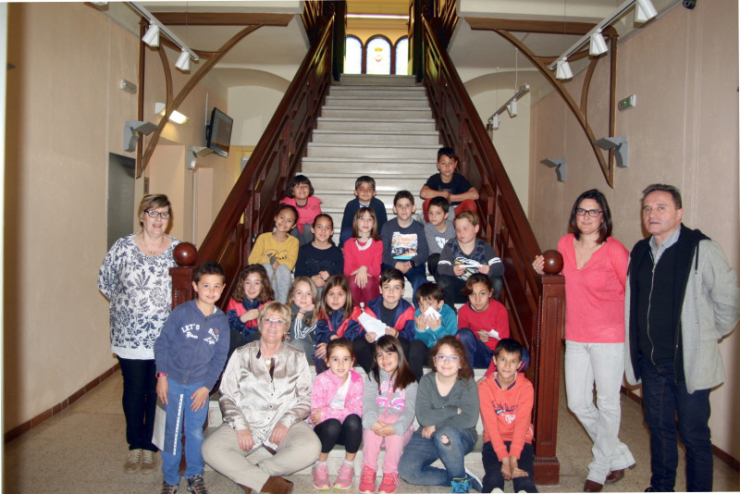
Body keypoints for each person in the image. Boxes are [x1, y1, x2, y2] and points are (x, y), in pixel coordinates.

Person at [624, 184, 740, 492]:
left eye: (661, 207)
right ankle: (661, 487)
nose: (652, 214)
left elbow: (730, 301)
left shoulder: (701, 248)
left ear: (679, 213)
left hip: (689, 366)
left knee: (693, 436)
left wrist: (708, 335)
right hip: (652, 365)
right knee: (659, 430)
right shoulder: (640, 251)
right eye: (647, 208)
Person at [532, 189, 635, 492]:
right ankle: (619, 454)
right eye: (581, 211)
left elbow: (635, 291)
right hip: (575, 335)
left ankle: (600, 466)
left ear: (604, 216)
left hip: (609, 338)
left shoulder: (614, 249)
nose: (586, 217)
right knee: (577, 402)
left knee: (607, 403)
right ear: (574, 215)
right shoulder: (564, 244)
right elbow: (553, 275)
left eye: (593, 212)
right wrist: (538, 270)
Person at [98, 194, 181, 474]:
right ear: (142, 215)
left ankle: (150, 446)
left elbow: (185, 291)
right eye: (153, 213)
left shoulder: (179, 250)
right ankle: (136, 446)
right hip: (129, 334)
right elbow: (105, 281)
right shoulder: (123, 246)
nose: (159, 219)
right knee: (134, 390)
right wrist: (131, 308)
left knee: (155, 390)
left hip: (164, 337)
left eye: (164, 214)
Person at [201, 302, 321, 494]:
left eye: (279, 321)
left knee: (312, 448)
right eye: (268, 320)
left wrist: (286, 422)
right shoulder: (241, 355)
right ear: (259, 324)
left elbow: (305, 398)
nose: (273, 325)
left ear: (285, 328)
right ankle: (273, 485)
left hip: (283, 421)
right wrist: (240, 425)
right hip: (247, 420)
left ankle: (254, 476)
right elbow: (226, 395)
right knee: (210, 449)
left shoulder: (297, 357)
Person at [154, 261, 230, 494]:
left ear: (223, 288)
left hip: (199, 387)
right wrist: (162, 376)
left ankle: (195, 474)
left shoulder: (222, 322)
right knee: (172, 431)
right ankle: (170, 478)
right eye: (206, 285)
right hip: (173, 382)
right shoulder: (182, 312)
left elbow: (219, 358)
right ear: (195, 286)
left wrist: (207, 387)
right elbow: (162, 344)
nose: (211, 291)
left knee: (195, 432)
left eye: (216, 287)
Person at [398, 336, 482, 493]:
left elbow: (469, 418)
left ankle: (459, 485)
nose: (446, 362)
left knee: (446, 434)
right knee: (407, 471)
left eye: (452, 358)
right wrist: (452, 410)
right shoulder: (426, 382)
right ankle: (461, 476)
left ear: (461, 363)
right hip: (427, 434)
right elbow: (423, 417)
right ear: (434, 361)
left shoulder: (466, 382)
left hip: (459, 436)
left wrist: (436, 425)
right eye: (441, 357)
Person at [360, 336, 418, 494]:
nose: (384, 359)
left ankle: (390, 473)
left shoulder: (410, 380)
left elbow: (409, 409)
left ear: (399, 354)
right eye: (380, 355)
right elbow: (368, 401)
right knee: (373, 418)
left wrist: (396, 427)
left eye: (389, 354)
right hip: (376, 430)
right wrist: (373, 422)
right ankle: (368, 469)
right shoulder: (373, 377)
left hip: (399, 433)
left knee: (393, 417)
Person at [478, 339, 537, 494]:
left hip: (521, 440)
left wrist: (513, 457)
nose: (507, 366)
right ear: (495, 360)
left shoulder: (526, 387)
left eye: (513, 361)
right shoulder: (486, 387)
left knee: (524, 478)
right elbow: (490, 425)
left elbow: (523, 423)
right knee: (493, 478)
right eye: (503, 359)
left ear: (519, 364)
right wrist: (504, 458)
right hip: (493, 441)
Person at [355, 269, 428, 381]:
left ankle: (399, 377)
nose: (391, 292)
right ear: (380, 289)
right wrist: (366, 336)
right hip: (377, 347)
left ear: (403, 291)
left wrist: (398, 334)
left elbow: (412, 336)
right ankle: (377, 377)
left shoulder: (408, 310)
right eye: (387, 287)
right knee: (358, 344)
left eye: (396, 288)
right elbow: (359, 331)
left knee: (404, 343)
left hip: (396, 350)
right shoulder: (371, 307)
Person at [309, 339, 364, 490]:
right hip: (325, 431)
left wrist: (328, 412)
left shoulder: (357, 380)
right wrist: (330, 415)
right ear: (327, 362)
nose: (341, 364)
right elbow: (315, 414)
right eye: (335, 359)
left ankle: (348, 466)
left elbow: (357, 410)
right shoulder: (321, 380)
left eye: (345, 359)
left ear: (352, 362)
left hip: (346, 432)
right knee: (332, 423)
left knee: (354, 420)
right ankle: (320, 465)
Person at [437, 210, 504, 307]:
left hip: (479, 289)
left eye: (465, 228)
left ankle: (489, 310)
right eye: (458, 229)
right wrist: (452, 270)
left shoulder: (484, 246)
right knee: (443, 280)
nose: (461, 232)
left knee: (497, 281)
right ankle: (450, 313)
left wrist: (490, 270)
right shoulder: (451, 245)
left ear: (476, 228)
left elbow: (500, 268)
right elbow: (441, 267)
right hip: (458, 289)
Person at [380, 190, 429, 308]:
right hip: (392, 264)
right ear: (394, 209)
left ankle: (420, 313)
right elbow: (383, 252)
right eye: (400, 206)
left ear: (413, 208)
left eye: (407, 206)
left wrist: (411, 263)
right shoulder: (387, 226)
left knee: (420, 281)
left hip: (413, 264)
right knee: (388, 282)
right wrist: (396, 264)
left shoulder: (420, 228)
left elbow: (424, 253)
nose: (403, 209)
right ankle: (386, 312)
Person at [314, 275, 367, 373]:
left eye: (340, 294)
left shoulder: (355, 312)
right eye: (331, 294)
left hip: (348, 350)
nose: (335, 299)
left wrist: (333, 346)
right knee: (319, 353)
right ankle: (323, 383)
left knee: (338, 355)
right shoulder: (322, 312)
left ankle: (343, 384)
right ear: (325, 296)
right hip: (329, 348)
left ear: (347, 295)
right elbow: (320, 335)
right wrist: (331, 337)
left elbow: (352, 337)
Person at [247, 204, 299, 304]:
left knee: (282, 269)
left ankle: (282, 305)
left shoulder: (294, 242)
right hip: (265, 278)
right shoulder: (263, 238)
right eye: (282, 217)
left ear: (293, 225)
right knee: (266, 267)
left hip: (282, 278)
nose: (284, 222)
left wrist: (273, 262)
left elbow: (290, 264)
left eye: (289, 220)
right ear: (275, 217)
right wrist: (272, 262)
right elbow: (252, 260)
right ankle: (265, 302)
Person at [456, 274, 510, 370]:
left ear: (490, 293)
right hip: (477, 355)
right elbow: (463, 342)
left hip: (497, 355)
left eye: (482, 293)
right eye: (472, 294)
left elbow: (504, 344)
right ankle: (467, 378)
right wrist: (478, 337)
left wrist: (487, 375)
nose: (477, 299)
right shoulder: (463, 311)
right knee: (463, 335)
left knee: (524, 356)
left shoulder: (500, 310)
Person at [419, 147, 479, 221]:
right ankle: (431, 230)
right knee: (427, 203)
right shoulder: (434, 179)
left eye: (450, 163)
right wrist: (442, 195)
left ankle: (464, 230)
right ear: (438, 165)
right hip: (438, 214)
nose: (447, 167)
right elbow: (423, 193)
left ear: (455, 164)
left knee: (470, 203)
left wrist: (451, 198)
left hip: (456, 214)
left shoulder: (459, 178)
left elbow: (475, 195)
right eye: (443, 163)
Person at [225, 264, 274, 353]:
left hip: (256, 344)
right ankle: (232, 365)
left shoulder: (267, 304)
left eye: (256, 283)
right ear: (242, 284)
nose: (252, 287)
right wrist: (242, 319)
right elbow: (227, 327)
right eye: (248, 283)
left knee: (258, 336)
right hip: (239, 344)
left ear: (263, 285)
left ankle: (256, 364)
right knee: (233, 335)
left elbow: (271, 327)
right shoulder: (234, 302)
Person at [294, 214, 344, 297]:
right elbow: (298, 274)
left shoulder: (337, 252)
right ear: (312, 229)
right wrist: (311, 278)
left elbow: (340, 276)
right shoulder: (304, 250)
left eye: (327, 228)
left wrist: (330, 277)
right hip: (308, 291)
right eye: (319, 227)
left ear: (332, 232)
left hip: (329, 290)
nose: (323, 230)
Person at [343, 207, 384, 306]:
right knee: (353, 281)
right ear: (356, 222)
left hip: (371, 286)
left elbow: (376, 271)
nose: (366, 222)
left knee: (368, 282)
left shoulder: (378, 243)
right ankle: (353, 316)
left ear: (374, 223)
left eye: (369, 219)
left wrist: (364, 268)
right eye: (362, 218)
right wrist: (362, 271)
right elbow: (347, 271)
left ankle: (370, 316)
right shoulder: (348, 244)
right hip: (354, 285)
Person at [340, 176, 389, 246]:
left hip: (372, 235)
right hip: (355, 236)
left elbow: (383, 226)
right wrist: (342, 245)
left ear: (374, 192)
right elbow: (345, 225)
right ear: (356, 192)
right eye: (362, 189)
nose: (365, 192)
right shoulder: (351, 205)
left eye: (369, 189)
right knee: (347, 232)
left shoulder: (379, 205)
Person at [285, 276, 319, 365]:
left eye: (308, 294)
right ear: (292, 296)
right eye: (299, 293)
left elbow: (297, 336)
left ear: (313, 297)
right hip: (290, 351)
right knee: (282, 342)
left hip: (307, 350)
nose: (304, 297)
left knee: (297, 344)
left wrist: (300, 314)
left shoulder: (316, 316)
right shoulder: (285, 312)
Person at [414, 281, 458, 350]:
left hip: (445, 347)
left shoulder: (449, 314)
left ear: (440, 304)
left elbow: (451, 340)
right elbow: (420, 341)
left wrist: (437, 329)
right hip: (427, 348)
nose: (424, 308)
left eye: (429, 304)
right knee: (416, 346)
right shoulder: (418, 314)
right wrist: (421, 331)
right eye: (421, 304)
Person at [280, 174, 322, 245]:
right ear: (292, 191)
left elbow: (316, 216)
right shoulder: (288, 203)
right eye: (298, 186)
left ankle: (309, 252)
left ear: (309, 190)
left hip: (310, 236)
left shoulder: (314, 202)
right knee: (292, 228)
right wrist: (306, 215)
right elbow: (287, 218)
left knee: (307, 227)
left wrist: (297, 216)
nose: (302, 188)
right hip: (295, 234)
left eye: (305, 186)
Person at [424, 196, 456, 279]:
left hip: (451, 261)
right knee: (435, 258)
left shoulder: (453, 227)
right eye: (430, 213)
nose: (433, 216)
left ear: (446, 215)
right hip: (436, 262)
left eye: (438, 213)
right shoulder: (428, 228)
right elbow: (434, 250)